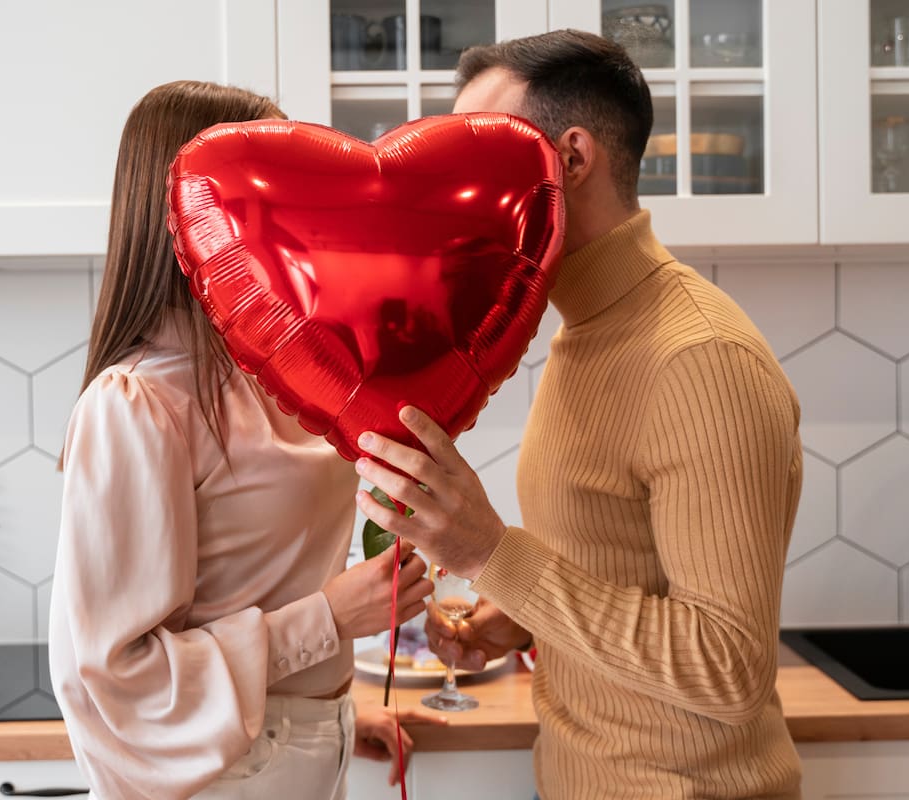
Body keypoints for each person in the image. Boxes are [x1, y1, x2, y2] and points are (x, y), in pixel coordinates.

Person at [353, 31, 804, 800]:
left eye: (480, 155)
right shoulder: (586, 330)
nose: (455, 189)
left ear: (571, 158)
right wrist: (521, 617)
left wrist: (496, 554)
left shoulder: (700, 359)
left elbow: (727, 668)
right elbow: (623, 568)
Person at [49, 80, 439, 800]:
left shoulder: (276, 374)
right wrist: (330, 621)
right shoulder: (138, 403)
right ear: (193, 203)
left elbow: (256, 582)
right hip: (225, 774)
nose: (301, 210)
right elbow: (117, 671)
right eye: (275, 184)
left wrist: (328, 712)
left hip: (290, 746)